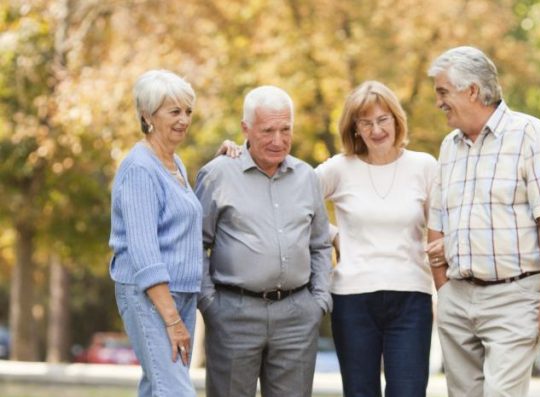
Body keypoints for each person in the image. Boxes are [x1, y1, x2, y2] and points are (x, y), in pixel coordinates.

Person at [424, 46, 540, 397]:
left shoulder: (530, 135)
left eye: (443, 92)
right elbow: (438, 220)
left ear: (472, 90)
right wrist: (444, 289)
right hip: (458, 297)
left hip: (514, 297)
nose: (439, 102)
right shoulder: (449, 146)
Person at [195, 85, 333, 397]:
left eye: (285, 130)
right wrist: (210, 304)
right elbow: (196, 246)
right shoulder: (217, 175)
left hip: (297, 316)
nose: (278, 140)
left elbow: (321, 244)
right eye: (268, 130)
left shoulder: (307, 177)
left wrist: (319, 302)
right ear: (246, 129)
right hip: (233, 314)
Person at [317, 81, 437, 396]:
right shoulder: (339, 169)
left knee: (408, 391)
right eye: (366, 122)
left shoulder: (423, 166)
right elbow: (293, 200)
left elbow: (440, 227)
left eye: (383, 119)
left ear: (397, 120)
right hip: (353, 298)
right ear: (355, 128)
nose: (376, 129)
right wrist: (333, 236)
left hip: (411, 297)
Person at [109, 69, 202, 396]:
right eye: (174, 111)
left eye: (188, 111)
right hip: (150, 296)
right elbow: (144, 252)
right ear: (148, 116)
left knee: (157, 387)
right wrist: (172, 319)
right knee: (175, 391)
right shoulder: (139, 169)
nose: (184, 120)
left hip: (181, 294)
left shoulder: (176, 165)